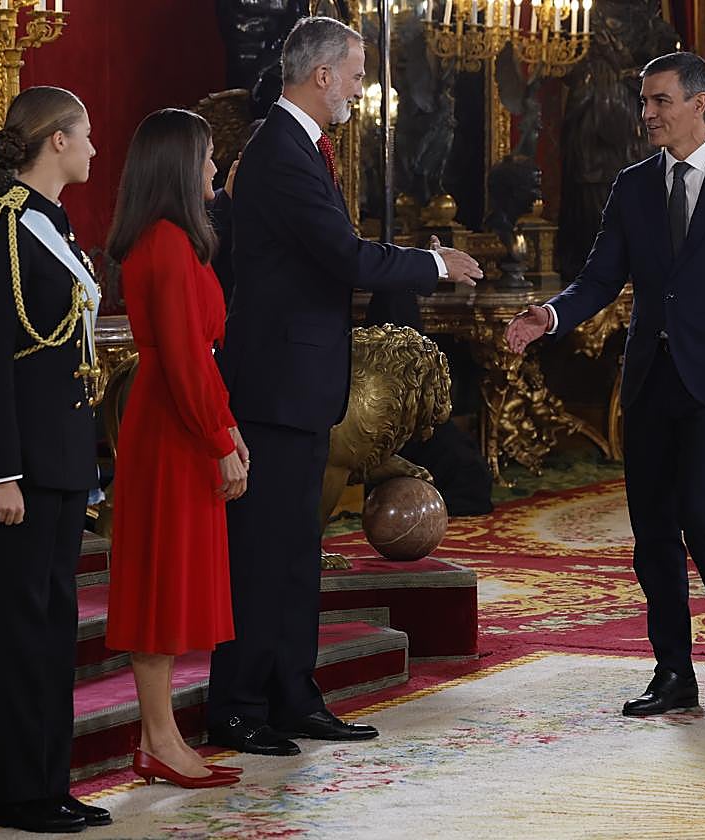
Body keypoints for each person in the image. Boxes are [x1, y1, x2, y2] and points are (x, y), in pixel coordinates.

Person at [207, 15, 483, 757]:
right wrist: (431, 264)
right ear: (322, 74)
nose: (362, 88)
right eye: (357, 74)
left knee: (297, 551)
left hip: (301, 381)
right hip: (274, 385)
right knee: (264, 555)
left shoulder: (300, 146)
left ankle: (293, 694)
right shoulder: (281, 152)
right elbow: (343, 256)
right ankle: (236, 705)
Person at [505, 52, 705, 716]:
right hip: (648, 379)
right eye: (644, 102)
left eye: (659, 101)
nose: (646, 114)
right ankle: (672, 670)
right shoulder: (634, 185)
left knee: (702, 511)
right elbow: (600, 277)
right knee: (653, 531)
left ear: (699, 103)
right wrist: (550, 315)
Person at [0, 86, 110, 833]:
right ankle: (19, 794)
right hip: (20, 471)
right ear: (55, 141)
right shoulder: (3, 230)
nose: (92, 148)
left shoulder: (54, 226)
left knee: (52, 631)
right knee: (19, 634)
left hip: (62, 459)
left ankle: (52, 782)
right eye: (85, 136)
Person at [104, 109, 246, 789]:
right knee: (159, 582)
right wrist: (217, 434)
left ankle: (160, 736)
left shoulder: (174, 239)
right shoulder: (162, 242)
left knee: (170, 579)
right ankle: (158, 739)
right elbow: (187, 357)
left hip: (181, 416)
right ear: (180, 167)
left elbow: (199, 357)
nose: (215, 167)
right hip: (169, 426)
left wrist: (226, 426)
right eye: (209, 156)